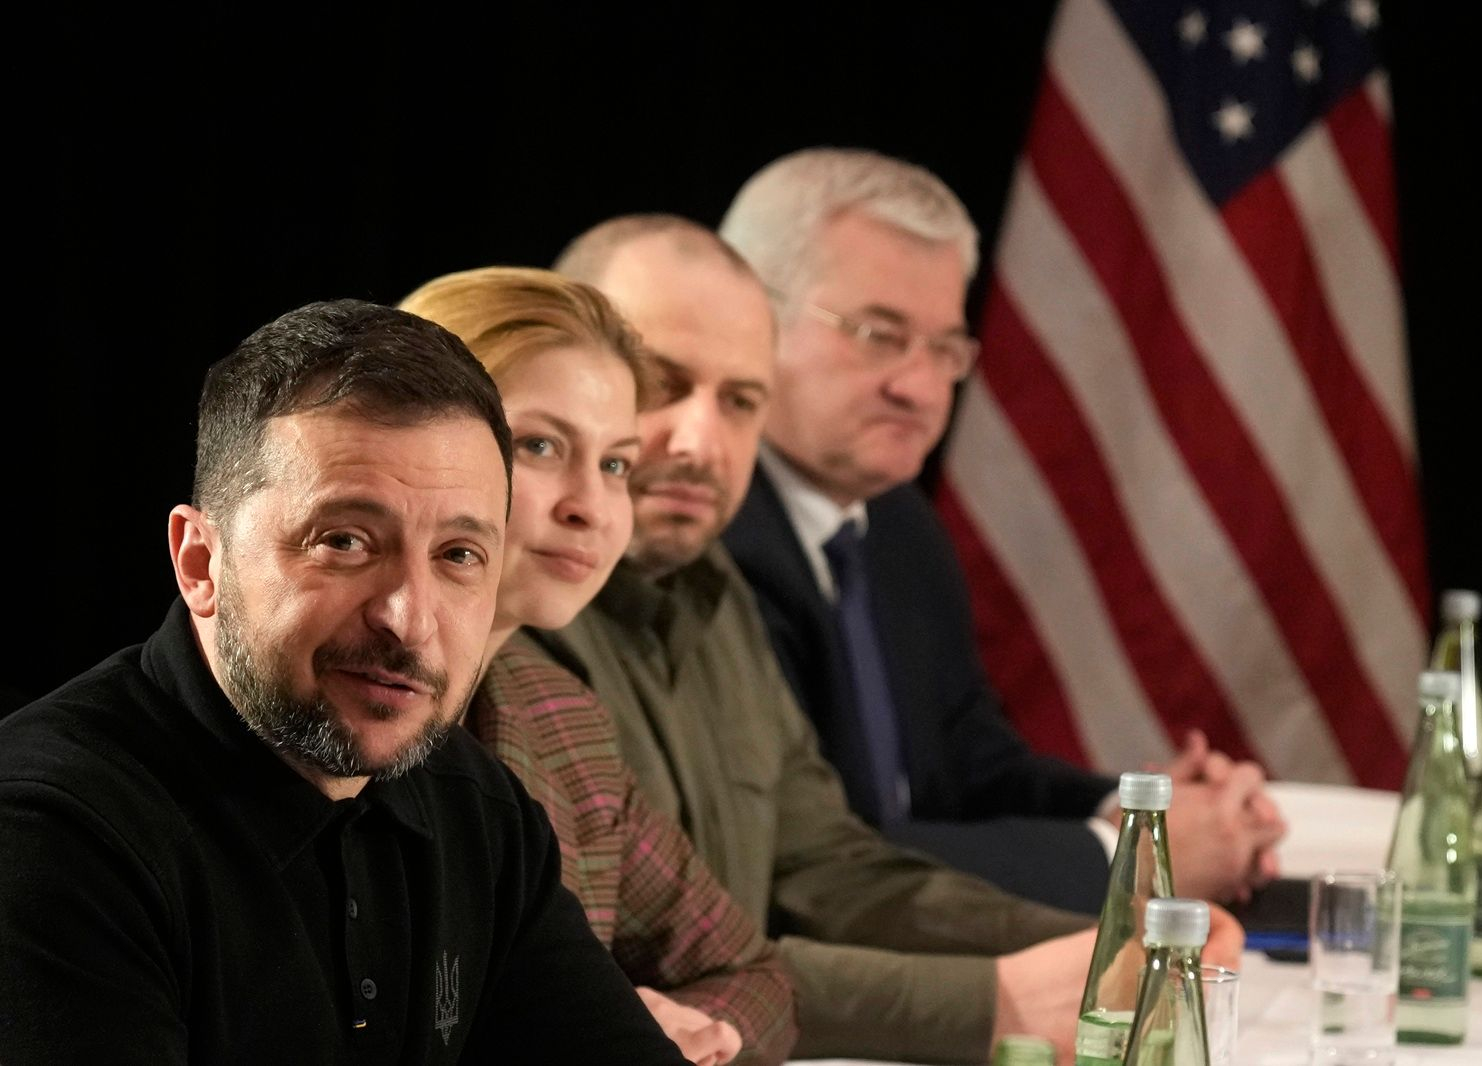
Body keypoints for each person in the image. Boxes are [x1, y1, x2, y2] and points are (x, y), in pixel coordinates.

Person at [539, 215, 1244, 1064]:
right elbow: (611, 977)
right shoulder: (511, 629)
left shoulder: (710, 588)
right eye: (660, 383)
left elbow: (824, 869)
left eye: (740, 401)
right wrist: (1001, 998)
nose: (699, 442)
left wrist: (1111, 944)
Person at [0, 300, 690, 1065]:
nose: (409, 618)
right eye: (345, 541)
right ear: (201, 561)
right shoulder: (49, 834)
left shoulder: (481, 814)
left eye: (459, 555)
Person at [717, 147, 1287, 912]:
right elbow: (810, 864)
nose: (919, 387)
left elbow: (972, 772)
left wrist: (1146, 812)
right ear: (748, 315)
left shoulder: (896, 523)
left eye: (945, 348)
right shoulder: (709, 539)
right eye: (878, 334)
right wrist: (1127, 857)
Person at [397, 266, 796, 1066]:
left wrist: (693, 1026)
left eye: (615, 463)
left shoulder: (560, 718)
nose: (590, 505)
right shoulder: (316, 714)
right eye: (540, 446)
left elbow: (753, 975)